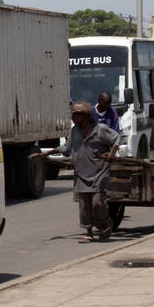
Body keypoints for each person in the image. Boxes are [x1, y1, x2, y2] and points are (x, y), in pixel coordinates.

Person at [46, 101, 119, 241]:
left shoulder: (100, 129)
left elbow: (116, 138)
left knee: (98, 203)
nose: (73, 118)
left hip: (99, 172)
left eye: (76, 115)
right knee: (84, 206)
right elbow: (66, 149)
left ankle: (105, 225)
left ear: (85, 116)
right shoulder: (75, 131)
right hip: (81, 174)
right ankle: (89, 233)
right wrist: (48, 153)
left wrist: (112, 154)